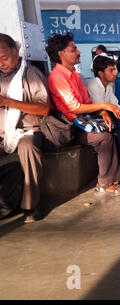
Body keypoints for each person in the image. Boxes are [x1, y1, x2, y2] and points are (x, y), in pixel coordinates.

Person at [45, 32, 120, 195]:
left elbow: (86, 101)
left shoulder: (74, 75)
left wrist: (101, 111)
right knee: (104, 138)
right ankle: (105, 183)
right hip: (69, 127)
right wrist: (104, 105)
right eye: (73, 49)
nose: (79, 52)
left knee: (112, 127)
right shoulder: (57, 77)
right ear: (61, 54)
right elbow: (75, 107)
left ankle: (119, 177)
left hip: (82, 121)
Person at [0, 33, 51, 223]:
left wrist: (7, 101)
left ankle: (31, 206)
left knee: (27, 148)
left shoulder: (30, 74)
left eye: (4, 58)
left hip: (27, 131)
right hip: (3, 133)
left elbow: (44, 109)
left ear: (16, 52)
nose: (1, 63)